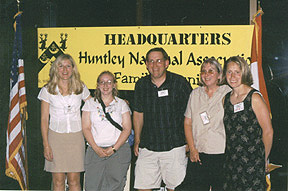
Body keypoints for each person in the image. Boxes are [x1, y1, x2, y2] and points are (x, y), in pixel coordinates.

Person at [133, 47, 192, 191]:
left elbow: (191, 114)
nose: (155, 65)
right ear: (146, 64)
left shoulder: (180, 83)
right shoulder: (141, 85)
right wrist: (137, 140)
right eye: (151, 61)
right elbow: (138, 114)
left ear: (167, 63)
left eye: (159, 61)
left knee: (176, 188)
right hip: (148, 146)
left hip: (175, 146)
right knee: (143, 187)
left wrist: (190, 142)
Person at [38, 54, 91, 191]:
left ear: (73, 69)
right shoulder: (47, 90)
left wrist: (115, 102)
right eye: (61, 66)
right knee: (58, 181)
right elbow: (44, 119)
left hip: (76, 137)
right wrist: (46, 145)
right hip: (55, 138)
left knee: (74, 181)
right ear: (56, 69)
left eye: (68, 66)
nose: (65, 70)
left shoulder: (80, 87)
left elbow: (94, 106)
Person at [178, 58, 231, 191]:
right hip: (198, 153)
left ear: (219, 75)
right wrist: (192, 148)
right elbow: (187, 123)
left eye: (211, 71)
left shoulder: (228, 92)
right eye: (203, 71)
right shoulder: (195, 94)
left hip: (221, 153)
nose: (206, 75)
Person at [222, 56, 273, 190]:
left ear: (243, 73)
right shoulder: (225, 100)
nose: (233, 76)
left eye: (237, 72)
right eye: (229, 72)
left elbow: (268, 132)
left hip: (253, 163)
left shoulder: (254, 98)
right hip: (231, 164)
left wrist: (263, 159)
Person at [81, 71, 132, 191]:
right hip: (95, 151)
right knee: (92, 186)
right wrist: (96, 148)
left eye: (109, 82)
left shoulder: (121, 104)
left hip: (118, 151)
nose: (105, 85)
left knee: (115, 186)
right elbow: (86, 128)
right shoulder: (89, 104)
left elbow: (127, 128)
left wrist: (113, 148)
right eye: (102, 82)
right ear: (98, 85)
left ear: (114, 84)